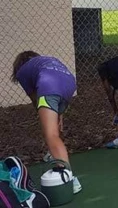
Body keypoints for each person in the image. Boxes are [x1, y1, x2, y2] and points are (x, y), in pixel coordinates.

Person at [11, 52, 82, 192]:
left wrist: (43, 115)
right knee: (54, 130)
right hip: (69, 84)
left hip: (49, 87)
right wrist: (58, 115)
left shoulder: (22, 72)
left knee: (51, 134)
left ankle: (70, 179)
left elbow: (35, 98)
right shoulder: (47, 61)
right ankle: (54, 153)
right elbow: (58, 79)